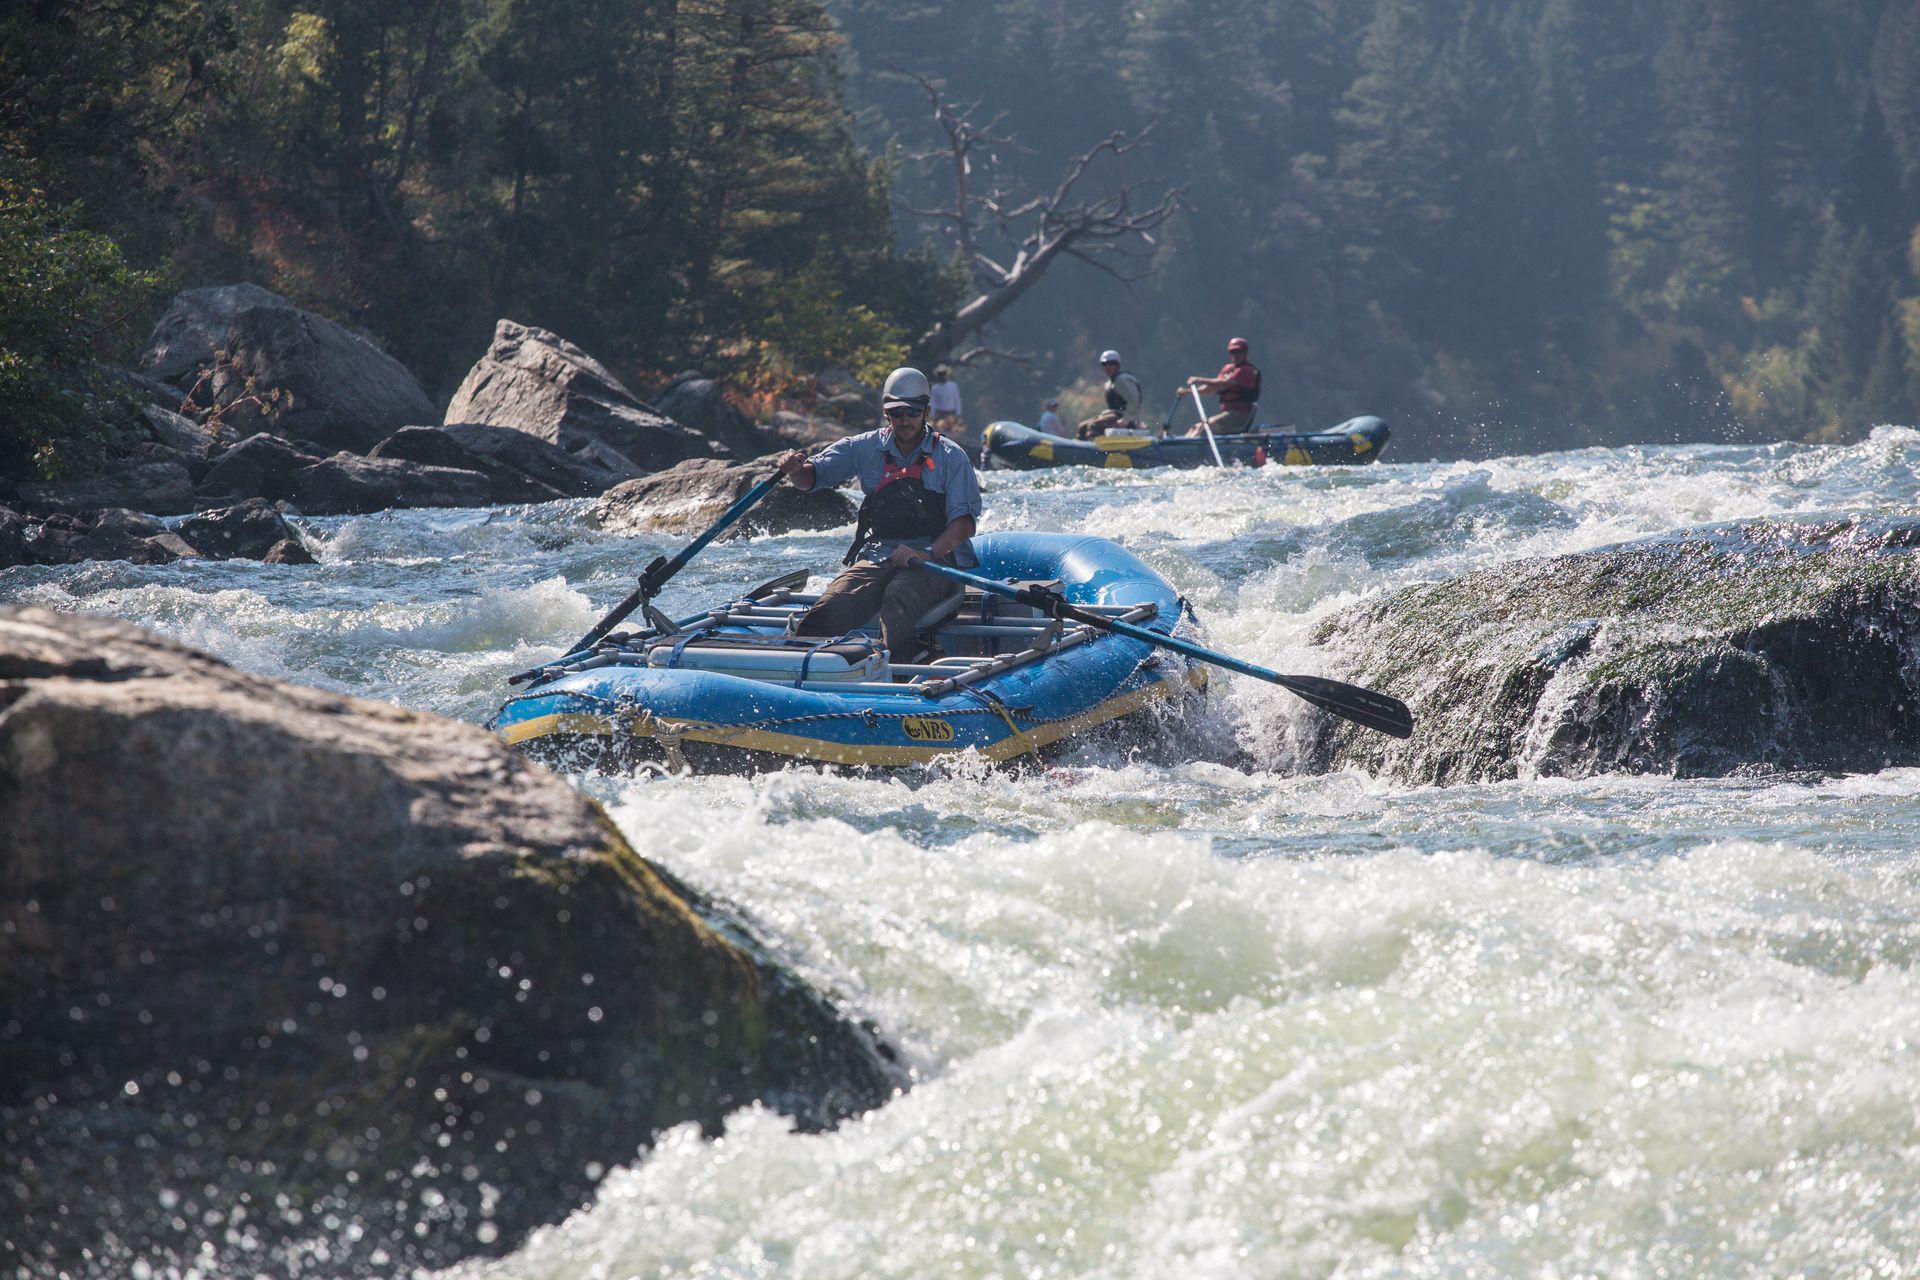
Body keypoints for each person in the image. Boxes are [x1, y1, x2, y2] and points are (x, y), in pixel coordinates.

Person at [777, 366, 981, 662]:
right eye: (896, 412)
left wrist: (926, 552)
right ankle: (801, 668)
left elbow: (963, 525)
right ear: (886, 413)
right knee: (831, 606)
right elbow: (812, 477)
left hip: (935, 558)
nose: (904, 419)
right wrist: (795, 471)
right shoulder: (863, 447)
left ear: (925, 411)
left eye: (912, 411)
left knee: (898, 598)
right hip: (878, 555)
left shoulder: (951, 456)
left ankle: (902, 667)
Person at [1182, 336, 1261, 436]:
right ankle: (1181, 445)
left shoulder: (1246, 370)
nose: (1236, 355)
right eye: (1233, 352)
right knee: (1196, 427)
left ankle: (1191, 449)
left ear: (1245, 353)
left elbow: (1224, 382)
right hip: (1227, 414)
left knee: (1205, 428)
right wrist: (1188, 392)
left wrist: (1199, 379)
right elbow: (1213, 388)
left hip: (1239, 415)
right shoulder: (1227, 369)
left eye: (1239, 352)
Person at [1076, 349, 1144, 439]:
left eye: (1111, 364)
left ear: (1117, 365)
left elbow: (1134, 399)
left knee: (1094, 426)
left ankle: (1095, 450)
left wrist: (1125, 420)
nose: (1107, 367)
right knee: (1082, 427)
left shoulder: (1122, 380)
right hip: (1113, 415)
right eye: (1104, 364)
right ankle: (1080, 450)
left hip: (1125, 418)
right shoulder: (1110, 383)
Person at [928, 364, 964, 436]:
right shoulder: (935, 388)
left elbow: (957, 400)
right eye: (940, 374)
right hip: (940, 414)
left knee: (954, 433)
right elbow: (933, 402)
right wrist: (933, 415)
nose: (942, 376)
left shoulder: (953, 386)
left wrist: (958, 413)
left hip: (951, 414)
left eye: (943, 374)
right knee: (940, 432)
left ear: (946, 374)